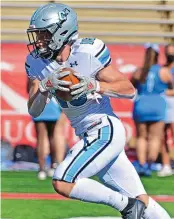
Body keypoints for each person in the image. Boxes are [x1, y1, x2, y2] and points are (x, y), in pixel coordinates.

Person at [25, 3, 171, 219]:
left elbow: (129, 90)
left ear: (61, 32)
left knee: (63, 180)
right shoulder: (37, 62)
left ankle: (126, 206)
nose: (38, 41)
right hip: (87, 134)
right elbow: (34, 110)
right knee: (142, 200)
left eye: (44, 34)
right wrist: (45, 87)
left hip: (105, 128)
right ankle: (133, 205)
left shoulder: (88, 51)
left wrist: (95, 85)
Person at [131, 43, 173, 177]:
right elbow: (171, 88)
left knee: (141, 137)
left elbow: (131, 87)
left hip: (141, 104)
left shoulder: (139, 71)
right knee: (155, 137)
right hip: (158, 105)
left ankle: (142, 164)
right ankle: (150, 164)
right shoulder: (163, 71)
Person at [26, 78, 67, 180]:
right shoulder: (56, 66)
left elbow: (30, 87)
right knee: (55, 135)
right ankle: (54, 165)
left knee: (41, 137)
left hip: (39, 102)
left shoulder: (34, 67)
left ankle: (42, 168)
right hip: (54, 103)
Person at [158, 43, 174, 177]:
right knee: (162, 136)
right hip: (163, 104)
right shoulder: (162, 69)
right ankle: (166, 165)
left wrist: (165, 92)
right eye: (168, 52)